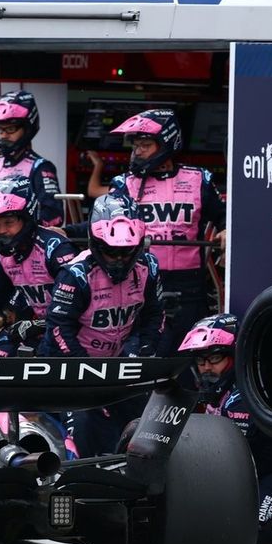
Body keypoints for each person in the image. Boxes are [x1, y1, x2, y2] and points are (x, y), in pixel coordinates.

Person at [178, 314, 272, 544]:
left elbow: (225, 459)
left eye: (214, 358)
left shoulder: (243, 397)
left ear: (235, 356)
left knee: (252, 534)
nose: (206, 368)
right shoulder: (207, 394)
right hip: (238, 481)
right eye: (200, 360)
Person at [88, 109, 226, 356]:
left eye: (145, 145)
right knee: (143, 354)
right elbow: (100, 224)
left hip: (190, 286)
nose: (137, 151)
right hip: (140, 280)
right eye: (136, 145)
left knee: (192, 358)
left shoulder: (199, 179)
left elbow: (223, 215)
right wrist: (63, 230)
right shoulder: (124, 183)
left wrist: (226, 229)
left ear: (166, 143)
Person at [40, 193, 164, 456]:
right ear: (96, 244)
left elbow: (154, 314)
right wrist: (86, 370)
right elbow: (59, 326)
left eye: (126, 251)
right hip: (67, 368)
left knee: (145, 421)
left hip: (114, 365)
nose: (118, 259)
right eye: (110, 251)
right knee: (86, 425)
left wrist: (145, 349)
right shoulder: (75, 275)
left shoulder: (148, 268)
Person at [0, 175, 77, 355]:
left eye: (8, 223)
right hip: (35, 329)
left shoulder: (56, 249)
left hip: (71, 330)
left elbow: (78, 309)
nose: (1, 231)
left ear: (27, 217)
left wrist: (38, 325)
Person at [0, 91, 64, 227]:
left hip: (27, 243)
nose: (4, 135)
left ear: (27, 128)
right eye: (0, 130)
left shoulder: (40, 167)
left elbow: (54, 217)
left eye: (11, 129)